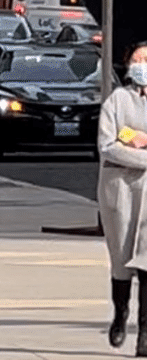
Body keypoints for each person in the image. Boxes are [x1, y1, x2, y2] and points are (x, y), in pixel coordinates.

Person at [98, 41, 147, 355]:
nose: (143, 63)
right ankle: (120, 313)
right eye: (138, 58)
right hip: (120, 189)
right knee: (121, 259)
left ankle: (145, 332)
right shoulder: (117, 100)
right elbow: (109, 144)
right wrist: (138, 149)